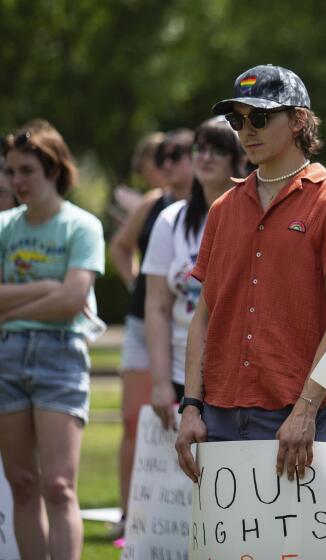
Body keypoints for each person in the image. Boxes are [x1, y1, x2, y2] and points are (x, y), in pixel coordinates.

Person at [173, 64, 326, 484]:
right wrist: (190, 405)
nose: (246, 131)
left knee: (294, 550)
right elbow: (203, 316)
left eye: (259, 118)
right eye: (237, 120)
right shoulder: (224, 208)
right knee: (226, 553)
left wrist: (306, 409)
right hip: (217, 414)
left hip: (293, 414)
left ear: (299, 120)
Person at [0, 120, 105, 560]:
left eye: (26, 170)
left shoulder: (81, 226)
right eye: (12, 171)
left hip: (60, 356)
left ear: (54, 171)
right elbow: (59, 293)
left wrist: (13, 308)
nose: (17, 181)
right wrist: (47, 288)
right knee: (23, 484)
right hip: (7, 359)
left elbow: (71, 300)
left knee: (59, 486)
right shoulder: (4, 226)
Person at [106, 129, 192, 543]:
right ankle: (129, 513)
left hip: (185, 325)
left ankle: (174, 516)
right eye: (165, 156)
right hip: (144, 325)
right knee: (133, 420)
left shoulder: (214, 208)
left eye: (178, 155)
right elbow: (119, 246)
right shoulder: (153, 204)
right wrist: (137, 283)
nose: (169, 164)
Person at [143, 118, 244, 430]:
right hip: (180, 372)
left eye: (219, 149)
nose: (206, 157)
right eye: (200, 148)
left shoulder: (258, 219)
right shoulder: (171, 220)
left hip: (239, 372)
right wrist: (160, 382)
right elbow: (157, 307)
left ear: (240, 159)